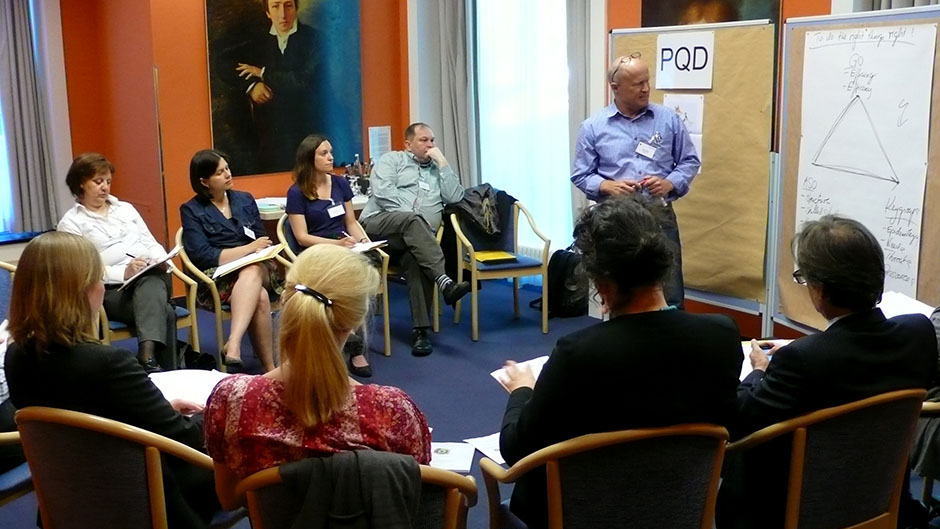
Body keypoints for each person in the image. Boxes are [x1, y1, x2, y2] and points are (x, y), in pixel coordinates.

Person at [498, 196, 742, 529]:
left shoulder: (579, 353)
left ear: (601, 285)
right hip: (679, 510)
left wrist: (521, 390)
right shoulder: (721, 336)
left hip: (579, 516)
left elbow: (515, 449)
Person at [719, 215, 938, 529]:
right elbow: (857, 360)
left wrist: (759, 371)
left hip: (794, 511)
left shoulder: (801, 361)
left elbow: (739, 421)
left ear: (819, 291)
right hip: (881, 499)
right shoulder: (918, 333)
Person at [4, 232, 217, 529]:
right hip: (147, 497)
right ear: (81, 290)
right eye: (99, 279)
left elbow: (86, 420)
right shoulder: (108, 363)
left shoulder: (16, 356)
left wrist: (158, 410)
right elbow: (185, 437)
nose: (103, 287)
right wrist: (216, 411)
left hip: (69, 498)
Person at [203, 245, 431, 510]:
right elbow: (418, 499)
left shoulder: (232, 401)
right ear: (354, 321)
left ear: (286, 302)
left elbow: (230, 499)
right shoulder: (393, 412)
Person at [570, 54, 700, 309]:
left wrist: (670, 183)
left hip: (659, 218)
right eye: (638, 84)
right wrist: (606, 186)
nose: (646, 89)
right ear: (615, 87)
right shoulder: (593, 127)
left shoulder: (668, 119)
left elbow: (689, 161)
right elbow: (581, 174)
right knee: (621, 292)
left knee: (671, 290)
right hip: (616, 222)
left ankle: (672, 333)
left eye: (647, 81)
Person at [57, 153, 178, 372]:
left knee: (152, 280)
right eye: (98, 181)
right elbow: (83, 271)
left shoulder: (126, 209)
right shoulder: (71, 223)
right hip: (110, 291)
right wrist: (124, 272)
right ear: (81, 183)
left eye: (108, 181)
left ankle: (147, 358)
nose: (105, 187)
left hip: (148, 279)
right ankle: (164, 371)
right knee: (166, 312)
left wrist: (160, 259)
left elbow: (150, 242)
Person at [358, 122, 471, 356]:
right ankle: (444, 281)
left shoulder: (437, 170)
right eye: (424, 140)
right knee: (412, 222)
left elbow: (455, 197)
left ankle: (421, 332)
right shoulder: (392, 160)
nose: (430, 145)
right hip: (380, 226)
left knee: (416, 258)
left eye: (432, 140)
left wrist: (443, 163)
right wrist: (414, 219)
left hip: (414, 240)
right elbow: (383, 192)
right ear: (408, 144)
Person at [180, 149, 280, 371]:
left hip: (261, 268)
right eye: (219, 172)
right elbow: (203, 255)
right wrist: (247, 249)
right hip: (219, 277)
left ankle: (233, 343)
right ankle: (270, 369)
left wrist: (252, 251)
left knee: (252, 269)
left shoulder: (245, 200)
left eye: (227, 168)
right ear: (204, 181)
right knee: (260, 297)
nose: (227, 174)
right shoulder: (191, 210)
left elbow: (262, 238)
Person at [287, 133, 374, 377]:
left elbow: (351, 222)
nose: (330, 158)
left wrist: (364, 242)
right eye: (324, 153)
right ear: (309, 158)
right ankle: (352, 343)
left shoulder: (340, 184)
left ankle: (353, 342)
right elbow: (302, 237)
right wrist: (336, 245)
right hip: (316, 250)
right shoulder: (297, 192)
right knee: (347, 274)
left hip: (344, 245)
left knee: (359, 270)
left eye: (331, 153)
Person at [235, 0, 319, 172]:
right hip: (269, 136)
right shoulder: (257, 41)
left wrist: (263, 73)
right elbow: (223, 63)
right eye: (275, 6)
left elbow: (303, 80)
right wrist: (252, 85)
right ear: (267, 12)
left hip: (306, 132)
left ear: (296, 8)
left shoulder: (315, 39)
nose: (283, 14)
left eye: (288, 6)